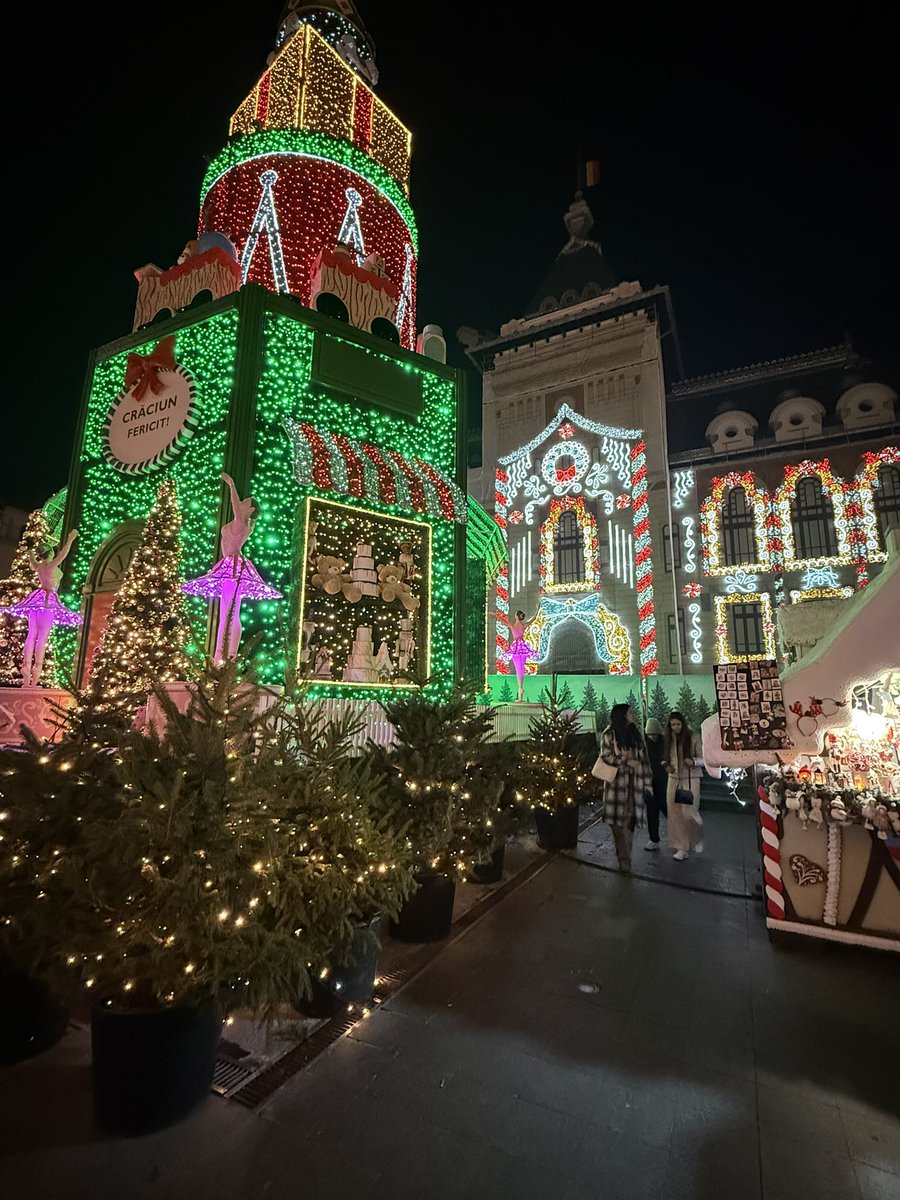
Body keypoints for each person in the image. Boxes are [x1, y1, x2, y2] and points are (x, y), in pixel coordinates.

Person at [182, 473, 281, 661]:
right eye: (242, 500)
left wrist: (232, 485)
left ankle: (227, 655)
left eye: (245, 501)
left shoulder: (241, 523)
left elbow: (236, 509)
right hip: (230, 566)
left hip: (234, 568)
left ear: (250, 509)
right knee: (227, 612)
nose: (241, 502)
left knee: (230, 613)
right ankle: (222, 654)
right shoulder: (244, 525)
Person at [1, 530, 81, 686]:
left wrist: (31, 551)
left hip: (37, 602)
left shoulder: (39, 567)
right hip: (48, 601)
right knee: (42, 637)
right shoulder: (51, 566)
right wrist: (70, 539)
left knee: (31, 635)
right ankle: (36, 669)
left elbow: (32, 559)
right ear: (50, 553)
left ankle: (26, 667)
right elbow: (63, 554)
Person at [597, 702, 652, 872]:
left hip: (634, 786)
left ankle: (626, 859)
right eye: (630, 712)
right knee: (617, 826)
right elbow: (605, 756)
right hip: (616, 786)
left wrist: (648, 782)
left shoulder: (636, 734)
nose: (633, 714)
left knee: (629, 823)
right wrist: (625, 761)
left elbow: (644, 760)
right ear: (622, 715)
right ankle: (623, 859)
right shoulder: (609, 734)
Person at [664, 710, 705, 860]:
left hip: (690, 778)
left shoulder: (693, 737)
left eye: (677, 724)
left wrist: (693, 761)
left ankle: (696, 839)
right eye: (672, 725)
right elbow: (666, 757)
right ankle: (681, 847)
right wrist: (666, 765)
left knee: (689, 812)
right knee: (675, 813)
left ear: (683, 723)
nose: (675, 727)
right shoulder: (669, 739)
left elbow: (704, 759)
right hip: (673, 779)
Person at [499, 607, 538, 702]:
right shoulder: (522, 626)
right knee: (520, 668)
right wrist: (537, 609)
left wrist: (494, 615)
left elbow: (502, 620)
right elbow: (534, 618)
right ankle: (520, 689)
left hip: (517, 648)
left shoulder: (513, 626)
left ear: (517, 616)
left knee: (518, 668)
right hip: (522, 648)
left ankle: (520, 688)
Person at [643, 716, 668, 851]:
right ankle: (654, 839)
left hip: (663, 780)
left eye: (654, 734)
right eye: (650, 734)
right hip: (649, 782)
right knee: (651, 812)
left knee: (668, 809)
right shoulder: (644, 744)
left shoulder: (665, 743)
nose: (652, 737)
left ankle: (679, 838)